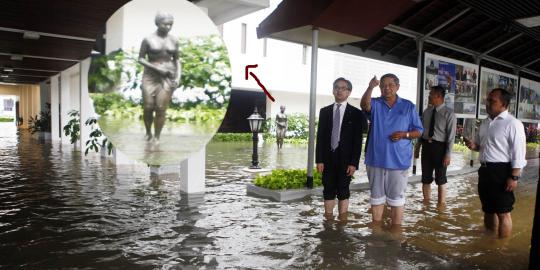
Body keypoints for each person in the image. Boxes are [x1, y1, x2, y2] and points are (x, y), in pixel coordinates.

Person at [360, 74, 423, 227]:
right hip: (375, 159)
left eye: (390, 85)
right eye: (383, 85)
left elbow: (419, 130)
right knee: (376, 198)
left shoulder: (408, 106)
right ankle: (376, 231)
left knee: (397, 199)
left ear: (397, 87)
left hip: (399, 160)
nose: (386, 88)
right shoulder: (375, 103)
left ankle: (396, 232)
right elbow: (364, 106)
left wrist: (404, 134)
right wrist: (370, 88)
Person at [464, 88, 526, 238]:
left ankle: (502, 248)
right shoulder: (486, 123)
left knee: (503, 212)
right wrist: (474, 146)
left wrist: (514, 177)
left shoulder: (513, 124)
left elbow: (519, 153)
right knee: (488, 209)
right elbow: (482, 146)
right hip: (485, 170)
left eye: (492, 101)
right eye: (488, 100)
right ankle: (490, 242)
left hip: (502, 171)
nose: (488, 103)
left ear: (503, 104)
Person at [316, 77, 367, 222]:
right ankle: (328, 219)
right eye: (337, 87)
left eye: (343, 88)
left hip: (346, 159)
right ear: (333, 90)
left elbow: (357, 141)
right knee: (328, 189)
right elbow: (320, 137)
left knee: (344, 189)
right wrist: (319, 159)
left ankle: (342, 222)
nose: (339, 90)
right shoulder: (324, 111)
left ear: (349, 92)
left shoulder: (356, 113)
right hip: (327, 157)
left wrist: (354, 163)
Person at [138, 11, 180, 141]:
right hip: (150, 76)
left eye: (170, 25)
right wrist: (157, 68)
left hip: (168, 76)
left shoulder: (174, 40)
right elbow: (140, 58)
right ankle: (148, 132)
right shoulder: (148, 39)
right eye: (165, 24)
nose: (168, 27)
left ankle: (157, 137)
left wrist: (178, 77)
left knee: (161, 108)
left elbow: (177, 60)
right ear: (157, 23)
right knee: (148, 106)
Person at [415, 85, 456, 207]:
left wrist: (448, 155)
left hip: (440, 149)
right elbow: (422, 132)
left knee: (441, 179)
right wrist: (417, 148)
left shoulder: (449, 114)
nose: (428, 96)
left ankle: (441, 206)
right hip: (427, 147)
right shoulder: (427, 112)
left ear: (438, 96)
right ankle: (426, 204)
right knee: (425, 178)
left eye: (430, 94)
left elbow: (451, 136)